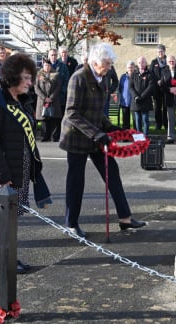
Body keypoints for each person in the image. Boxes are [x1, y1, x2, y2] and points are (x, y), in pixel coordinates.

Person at [59, 43, 147, 238]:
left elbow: (98, 112)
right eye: (107, 63)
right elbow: (72, 113)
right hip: (76, 137)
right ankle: (71, 223)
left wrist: (114, 129)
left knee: (112, 173)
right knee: (76, 181)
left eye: (110, 63)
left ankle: (125, 218)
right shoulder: (78, 78)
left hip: (96, 136)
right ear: (95, 62)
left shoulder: (104, 78)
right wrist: (98, 133)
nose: (109, 67)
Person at [0, 53, 41, 274]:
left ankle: (10, 256)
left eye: (31, 78)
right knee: (0, 217)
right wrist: (2, 176)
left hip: (17, 168)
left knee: (11, 218)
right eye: (26, 78)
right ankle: (4, 260)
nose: (30, 83)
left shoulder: (19, 100)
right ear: (12, 77)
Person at [34, 57, 62, 142]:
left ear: (51, 66)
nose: (47, 67)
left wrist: (51, 98)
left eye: (48, 65)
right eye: (45, 65)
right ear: (43, 65)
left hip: (53, 100)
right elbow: (36, 88)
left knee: (54, 118)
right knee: (44, 119)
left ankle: (54, 136)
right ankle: (45, 136)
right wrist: (44, 98)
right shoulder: (39, 75)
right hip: (42, 100)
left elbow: (58, 87)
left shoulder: (56, 74)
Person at [130, 55, 155, 136]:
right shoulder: (134, 74)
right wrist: (136, 96)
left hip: (145, 100)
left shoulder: (150, 74)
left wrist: (141, 97)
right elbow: (130, 87)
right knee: (137, 120)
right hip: (136, 101)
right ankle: (139, 137)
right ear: (137, 63)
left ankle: (145, 136)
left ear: (146, 63)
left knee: (145, 120)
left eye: (143, 62)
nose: (141, 64)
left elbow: (151, 86)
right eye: (139, 62)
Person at [150, 44, 168, 132]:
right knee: (157, 107)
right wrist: (157, 81)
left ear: (164, 52)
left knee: (166, 107)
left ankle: (166, 124)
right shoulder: (154, 62)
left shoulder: (169, 61)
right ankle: (158, 124)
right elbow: (151, 74)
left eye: (161, 51)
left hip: (166, 88)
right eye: (158, 51)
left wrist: (163, 80)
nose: (160, 53)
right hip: (156, 88)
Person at [117, 60, 136, 130]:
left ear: (134, 68)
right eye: (128, 67)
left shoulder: (137, 76)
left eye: (131, 67)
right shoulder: (123, 77)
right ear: (126, 68)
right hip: (125, 102)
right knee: (125, 122)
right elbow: (120, 88)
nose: (130, 69)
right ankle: (125, 136)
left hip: (134, 102)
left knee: (135, 121)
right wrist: (120, 100)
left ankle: (136, 136)